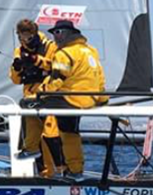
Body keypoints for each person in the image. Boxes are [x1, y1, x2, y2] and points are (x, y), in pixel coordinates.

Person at [38, 19, 107, 180]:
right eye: (53, 33)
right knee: (71, 131)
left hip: (71, 100)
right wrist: (103, 99)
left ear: (67, 34)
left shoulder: (64, 54)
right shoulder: (91, 50)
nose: (55, 37)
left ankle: (61, 169)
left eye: (57, 32)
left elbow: (57, 79)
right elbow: (100, 78)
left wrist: (39, 94)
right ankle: (73, 169)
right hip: (89, 99)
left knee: (36, 119)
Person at [8, 19, 62, 176]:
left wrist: (35, 60)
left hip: (47, 95)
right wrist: (16, 68)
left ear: (34, 35)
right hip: (30, 97)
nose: (24, 41)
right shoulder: (19, 50)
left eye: (27, 38)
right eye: (20, 37)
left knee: (51, 135)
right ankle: (44, 174)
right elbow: (16, 79)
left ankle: (60, 171)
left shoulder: (50, 47)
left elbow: (56, 66)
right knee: (34, 141)